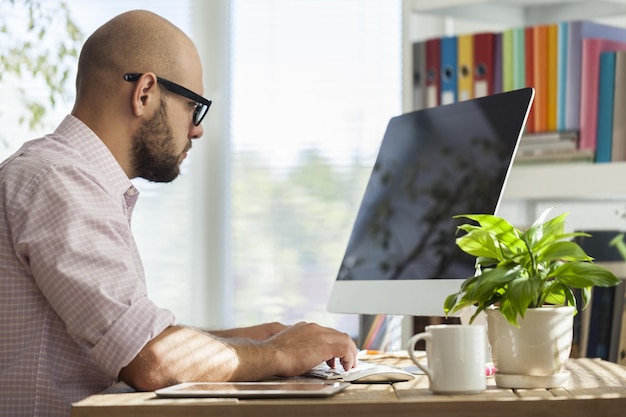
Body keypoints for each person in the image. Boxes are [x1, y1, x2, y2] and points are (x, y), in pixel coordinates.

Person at [0, 10, 357, 417]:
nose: (198, 129)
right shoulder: (58, 181)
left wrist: (253, 341)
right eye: (194, 106)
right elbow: (151, 360)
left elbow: (133, 340)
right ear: (145, 93)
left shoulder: (70, 180)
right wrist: (277, 353)